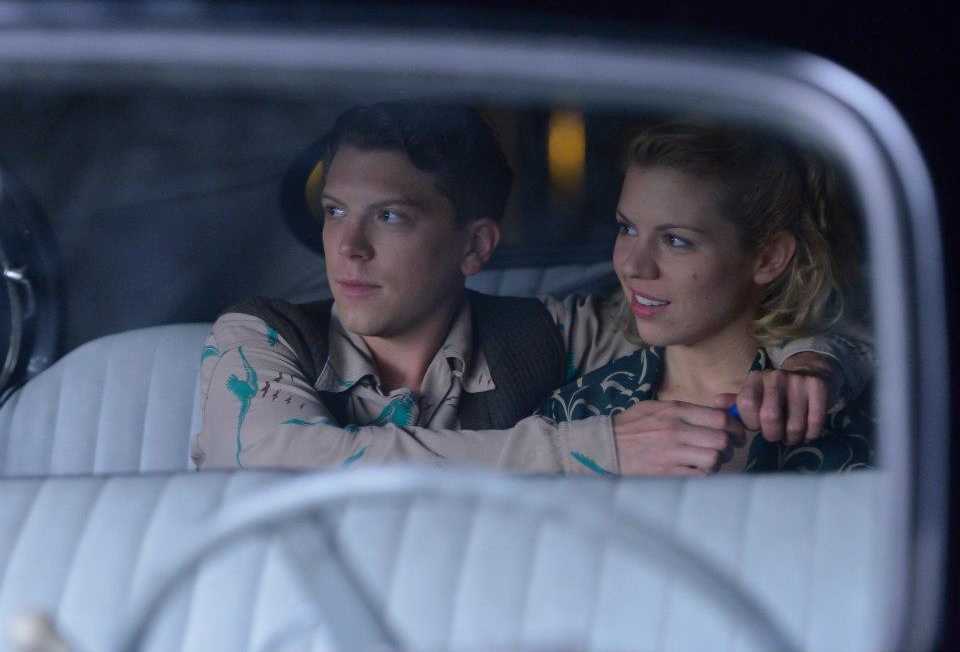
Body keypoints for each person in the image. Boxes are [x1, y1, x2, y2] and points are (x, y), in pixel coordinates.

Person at [192, 101, 871, 474]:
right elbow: (278, 459)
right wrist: (597, 450)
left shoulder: (553, 338)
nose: (348, 246)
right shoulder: (263, 337)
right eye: (336, 211)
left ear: (476, 246)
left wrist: (813, 366)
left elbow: (723, 320)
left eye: (390, 216)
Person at [536, 122, 872, 474]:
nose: (633, 266)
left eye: (675, 240)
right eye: (627, 229)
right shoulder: (576, 412)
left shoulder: (863, 417)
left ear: (768, 257)